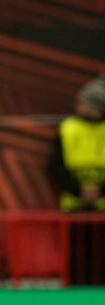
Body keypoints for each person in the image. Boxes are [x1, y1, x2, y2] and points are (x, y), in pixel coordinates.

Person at [50, 74, 105, 212]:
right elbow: (56, 165)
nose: (79, 105)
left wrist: (101, 191)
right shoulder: (68, 127)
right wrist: (78, 190)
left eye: (84, 102)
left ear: (96, 105)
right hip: (74, 206)